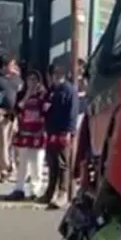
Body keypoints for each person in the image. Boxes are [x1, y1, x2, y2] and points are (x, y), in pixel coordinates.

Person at [41, 63, 79, 210]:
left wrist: (69, 131)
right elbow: (45, 107)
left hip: (63, 131)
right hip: (51, 130)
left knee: (63, 163)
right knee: (52, 163)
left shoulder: (69, 91)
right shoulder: (51, 91)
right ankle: (49, 192)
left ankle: (63, 193)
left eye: (56, 75)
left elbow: (72, 113)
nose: (54, 78)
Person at [7, 69, 46, 201]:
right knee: (22, 163)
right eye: (30, 79)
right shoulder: (22, 93)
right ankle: (19, 189)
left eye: (35, 79)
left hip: (38, 133)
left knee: (37, 163)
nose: (32, 82)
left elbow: (46, 112)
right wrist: (28, 94)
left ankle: (36, 190)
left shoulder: (43, 95)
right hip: (24, 132)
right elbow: (18, 108)